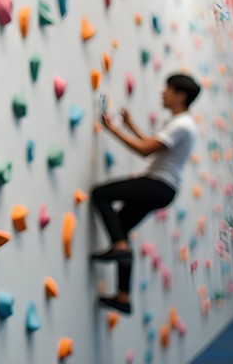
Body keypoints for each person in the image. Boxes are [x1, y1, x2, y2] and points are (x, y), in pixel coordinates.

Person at [91, 73, 201, 313]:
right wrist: (130, 126)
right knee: (121, 226)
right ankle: (123, 296)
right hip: (162, 189)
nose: (163, 93)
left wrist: (111, 129)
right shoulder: (180, 123)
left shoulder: (182, 125)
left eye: (168, 89)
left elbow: (144, 151)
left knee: (101, 193)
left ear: (180, 95)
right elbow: (153, 145)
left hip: (158, 185)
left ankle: (119, 247)